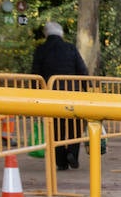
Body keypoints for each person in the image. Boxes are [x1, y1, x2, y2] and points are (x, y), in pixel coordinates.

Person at [31, 21, 90, 170]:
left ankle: (61, 161)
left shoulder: (41, 50)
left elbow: (35, 74)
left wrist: (35, 96)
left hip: (51, 94)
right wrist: (85, 89)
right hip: (72, 93)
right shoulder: (70, 48)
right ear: (61, 33)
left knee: (56, 128)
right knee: (74, 126)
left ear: (46, 34)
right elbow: (82, 70)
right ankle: (72, 153)